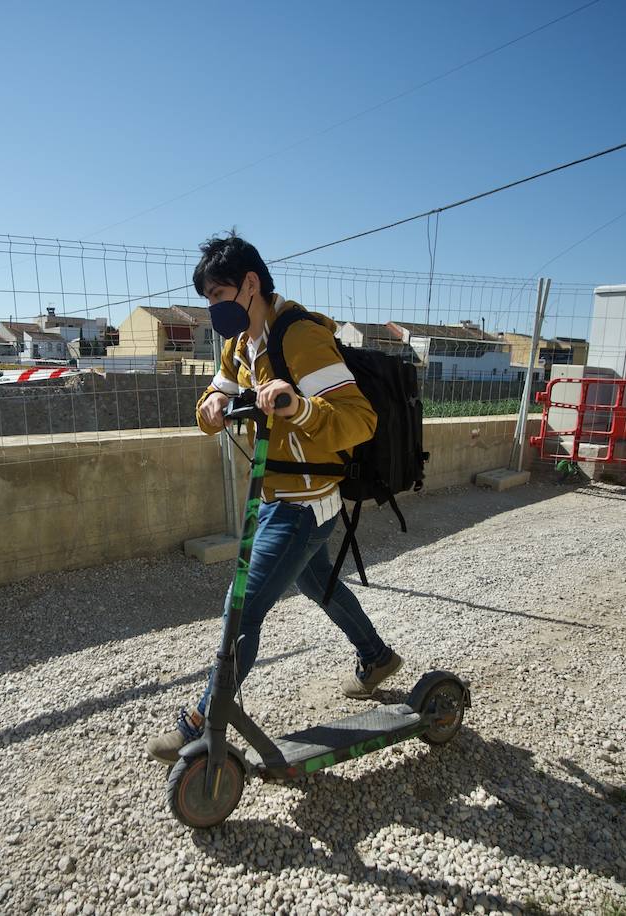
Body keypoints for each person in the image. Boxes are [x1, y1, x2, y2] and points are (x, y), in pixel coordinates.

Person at [147, 233, 402, 763]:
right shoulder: (239, 345)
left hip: (305, 505)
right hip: (275, 496)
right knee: (318, 584)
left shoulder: (301, 339)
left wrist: (297, 407)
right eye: (208, 300)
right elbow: (215, 394)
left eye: (219, 295)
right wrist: (210, 407)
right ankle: (376, 656)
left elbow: (360, 420)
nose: (213, 309)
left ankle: (204, 721)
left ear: (250, 284)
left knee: (240, 610)